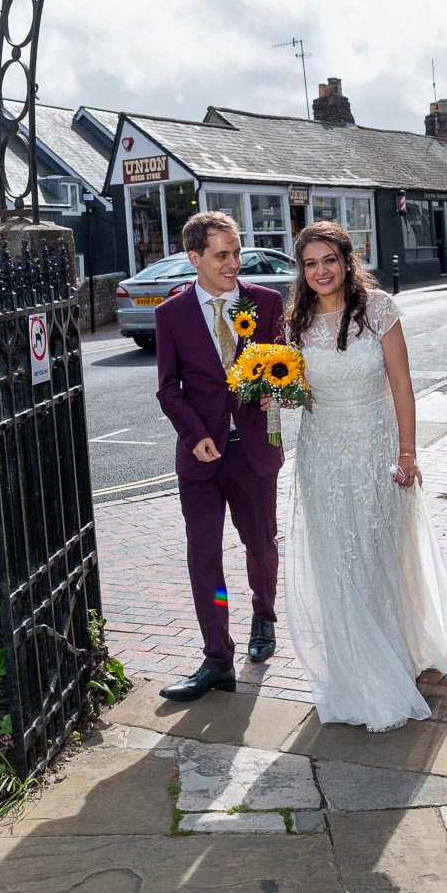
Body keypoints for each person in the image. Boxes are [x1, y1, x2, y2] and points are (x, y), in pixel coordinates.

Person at [284, 220, 447, 732]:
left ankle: (391, 655)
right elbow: (298, 385)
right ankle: (352, 667)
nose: (320, 272)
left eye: (328, 260)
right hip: (321, 451)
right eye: (310, 263)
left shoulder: (378, 310)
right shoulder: (297, 317)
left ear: (346, 260)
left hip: (375, 444)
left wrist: (408, 452)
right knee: (335, 557)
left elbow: (402, 384)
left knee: (376, 549)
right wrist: (277, 394)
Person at [155, 211, 285, 702]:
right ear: (196, 258)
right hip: (200, 458)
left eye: (236, 252)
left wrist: (280, 390)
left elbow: (286, 365)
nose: (234, 263)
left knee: (260, 546)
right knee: (204, 558)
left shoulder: (266, 302)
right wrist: (193, 435)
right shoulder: (172, 315)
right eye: (222, 255)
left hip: (253, 452)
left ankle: (263, 616)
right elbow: (168, 389)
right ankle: (217, 660)